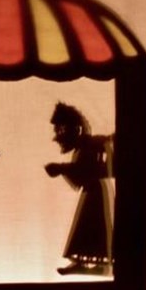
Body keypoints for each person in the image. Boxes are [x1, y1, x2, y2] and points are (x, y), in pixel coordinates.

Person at [45, 102, 113, 276]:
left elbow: (84, 170)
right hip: (92, 190)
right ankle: (84, 261)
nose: (58, 135)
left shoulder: (89, 145)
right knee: (88, 225)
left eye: (61, 130)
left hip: (97, 191)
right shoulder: (84, 146)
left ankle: (98, 263)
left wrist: (61, 168)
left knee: (95, 224)